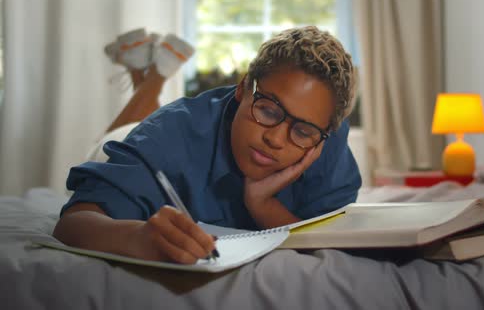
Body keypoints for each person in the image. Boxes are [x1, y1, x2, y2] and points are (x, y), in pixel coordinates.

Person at [53, 26, 362, 265]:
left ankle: (144, 76)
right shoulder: (169, 135)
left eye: (303, 130)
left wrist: (264, 205)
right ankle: (148, 79)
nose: (276, 139)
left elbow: (333, 241)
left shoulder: (326, 139)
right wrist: (136, 238)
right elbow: (74, 222)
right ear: (243, 88)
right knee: (123, 130)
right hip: (127, 137)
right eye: (268, 110)